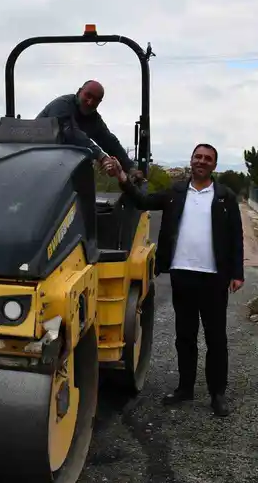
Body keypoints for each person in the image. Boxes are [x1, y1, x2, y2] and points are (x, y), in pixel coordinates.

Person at [106, 144, 245, 417]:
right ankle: (185, 388)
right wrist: (122, 178)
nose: (201, 161)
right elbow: (143, 202)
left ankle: (218, 394)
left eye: (207, 158)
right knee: (185, 336)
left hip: (215, 278)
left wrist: (237, 273)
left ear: (214, 165)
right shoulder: (175, 192)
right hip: (182, 275)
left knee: (216, 339)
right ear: (191, 161)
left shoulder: (224, 197)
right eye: (198, 157)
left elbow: (236, 236)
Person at [36, 80, 143, 181]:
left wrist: (130, 168)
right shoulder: (62, 105)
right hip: (38, 161)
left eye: (96, 99)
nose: (90, 102)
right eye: (88, 95)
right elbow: (71, 133)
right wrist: (102, 157)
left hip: (65, 165)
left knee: (85, 169)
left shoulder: (94, 119)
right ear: (79, 92)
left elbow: (110, 142)